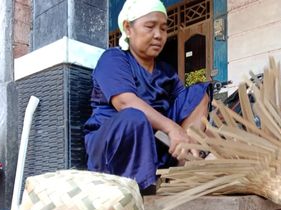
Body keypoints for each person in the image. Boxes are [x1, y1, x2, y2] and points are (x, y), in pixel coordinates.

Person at [83, 0, 211, 193]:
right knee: (133, 117)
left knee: (198, 93)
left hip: (155, 146)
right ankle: (142, 189)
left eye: (164, 29)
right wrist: (172, 128)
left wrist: (185, 135)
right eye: (150, 27)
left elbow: (187, 105)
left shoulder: (166, 72)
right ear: (128, 28)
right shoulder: (113, 59)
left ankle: (184, 162)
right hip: (114, 147)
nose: (158, 35)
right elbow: (125, 102)